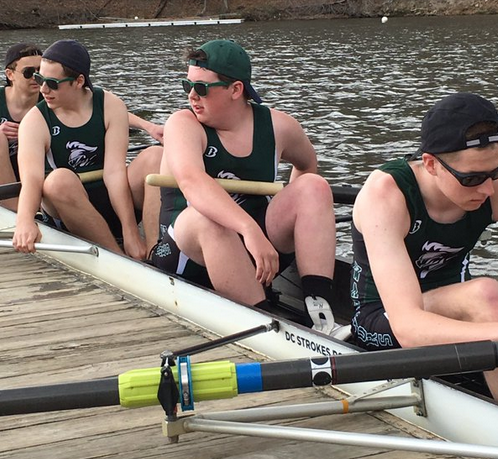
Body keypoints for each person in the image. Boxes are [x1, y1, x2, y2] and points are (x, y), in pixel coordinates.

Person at [151, 39, 338, 333]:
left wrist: (301, 224)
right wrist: (249, 229)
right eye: (186, 86)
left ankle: (321, 315)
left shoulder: (280, 127)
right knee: (209, 217)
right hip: (186, 250)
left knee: (314, 187)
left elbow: (306, 166)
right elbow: (193, 182)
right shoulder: (183, 124)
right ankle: (263, 320)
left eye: (201, 88)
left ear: (236, 90)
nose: (191, 96)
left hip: (253, 248)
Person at [350, 92, 498, 399]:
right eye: (472, 179)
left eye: (495, 173)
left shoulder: (489, 184)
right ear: (431, 164)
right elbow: (408, 327)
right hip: (384, 322)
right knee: (486, 295)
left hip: (455, 311)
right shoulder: (386, 195)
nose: (487, 188)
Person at [13, 39, 161, 259]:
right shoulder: (35, 121)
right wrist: (24, 221)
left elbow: (114, 172)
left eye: (52, 83)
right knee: (57, 180)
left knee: (155, 156)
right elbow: (32, 179)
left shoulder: (110, 105)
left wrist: (130, 231)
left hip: (111, 197)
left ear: (79, 81)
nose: (43, 89)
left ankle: (153, 251)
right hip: (69, 204)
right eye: (39, 79)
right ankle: (116, 257)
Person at [1, 43, 43, 211]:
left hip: (33, 177)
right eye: (29, 72)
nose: (36, 77)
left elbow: (88, 105)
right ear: (10, 74)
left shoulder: (51, 97)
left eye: (41, 71)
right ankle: (15, 211)